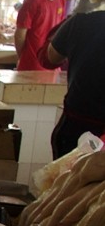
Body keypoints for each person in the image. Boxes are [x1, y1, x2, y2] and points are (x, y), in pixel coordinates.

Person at [45, 9, 105, 158]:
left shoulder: (82, 21)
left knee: (67, 178)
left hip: (78, 123)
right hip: (80, 122)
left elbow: (52, 56)